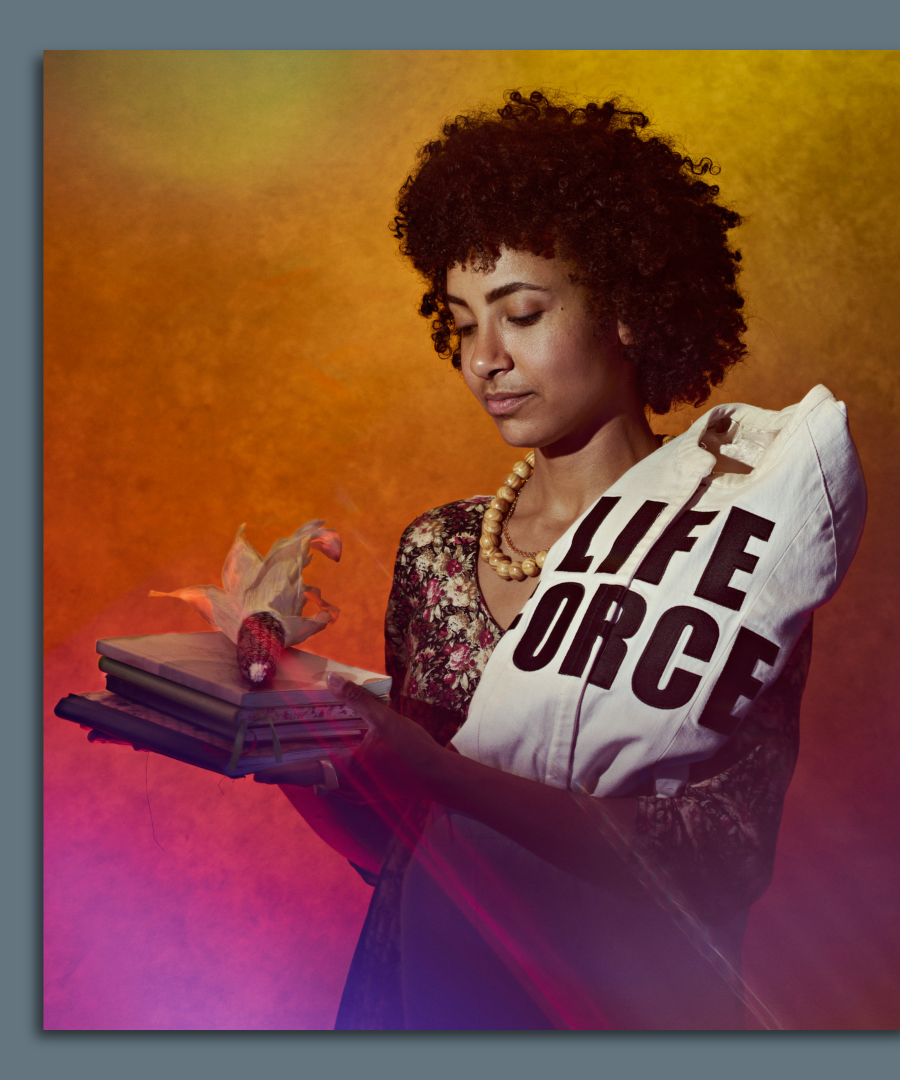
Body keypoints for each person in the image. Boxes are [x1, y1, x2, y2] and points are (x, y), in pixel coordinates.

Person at [256, 91, 823, 1030]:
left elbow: (714, 859)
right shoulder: (438, 552)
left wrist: (438, 771)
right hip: (419, 1002)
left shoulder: (732, 542)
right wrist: (284, 741)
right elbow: (405, 854)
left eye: (520, 312)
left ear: (630, 310)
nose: (484, 357)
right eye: (460, 319)